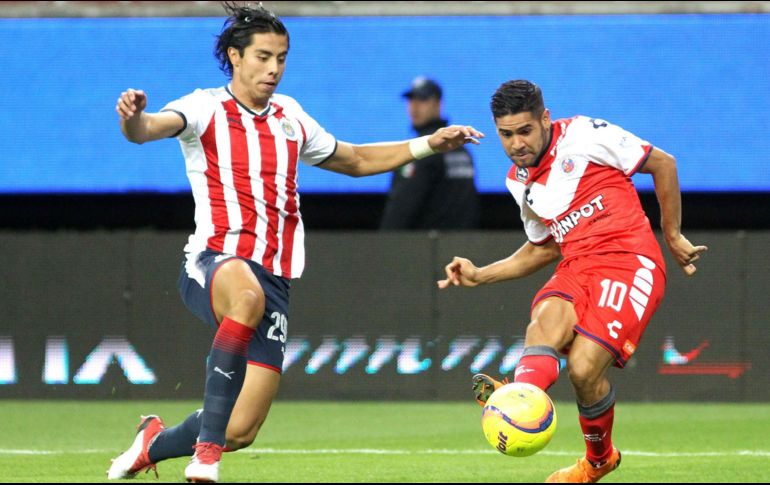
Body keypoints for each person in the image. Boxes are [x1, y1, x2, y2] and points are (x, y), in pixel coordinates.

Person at [108, 3, 482, 483]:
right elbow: (147, 129)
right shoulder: (204, 107)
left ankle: (152, 443)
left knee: (240, 428)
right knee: (245, 297)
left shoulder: (290, 116)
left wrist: (430, 142)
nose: (274, 68)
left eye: (282, 57)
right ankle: (205, 455)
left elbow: (355, 159)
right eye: (263, 56)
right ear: (234, 56)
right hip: (214, 260)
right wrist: (132, 119)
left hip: (275, 278)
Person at [437, 80, 707, 483]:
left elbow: (662, 164)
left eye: (525, 131)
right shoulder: (519, 181)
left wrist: (672, 236)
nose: (516, 144)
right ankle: (518, 396)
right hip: (577, 264)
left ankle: (597, 461)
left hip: (630, 262)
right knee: (545, 320)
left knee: (583, 370)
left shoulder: (583, 135)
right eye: (506, 135)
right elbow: (543, 248)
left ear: (545, 119)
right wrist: (481, 274)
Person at [380, 77, 480, 230]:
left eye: (422, 100)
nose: (414, 107)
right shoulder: (462, 151)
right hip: (461, 246)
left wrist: (385, 244)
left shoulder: (422, 150)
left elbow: (402, 207)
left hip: (425, 248)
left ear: (438, 104)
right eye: (411, 100)